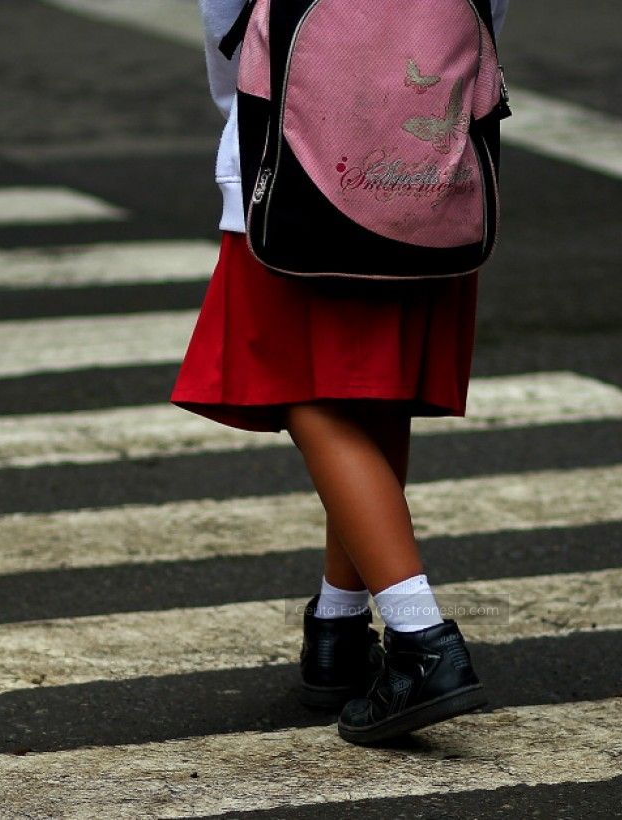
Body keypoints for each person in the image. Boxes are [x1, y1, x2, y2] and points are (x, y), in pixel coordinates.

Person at [170, 0, 512, 745]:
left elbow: (228, 17)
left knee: (304, 389)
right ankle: (339, 628)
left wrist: (245, 106)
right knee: (374, 391)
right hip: (427, 164)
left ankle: (421, 639)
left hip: (293, 148)